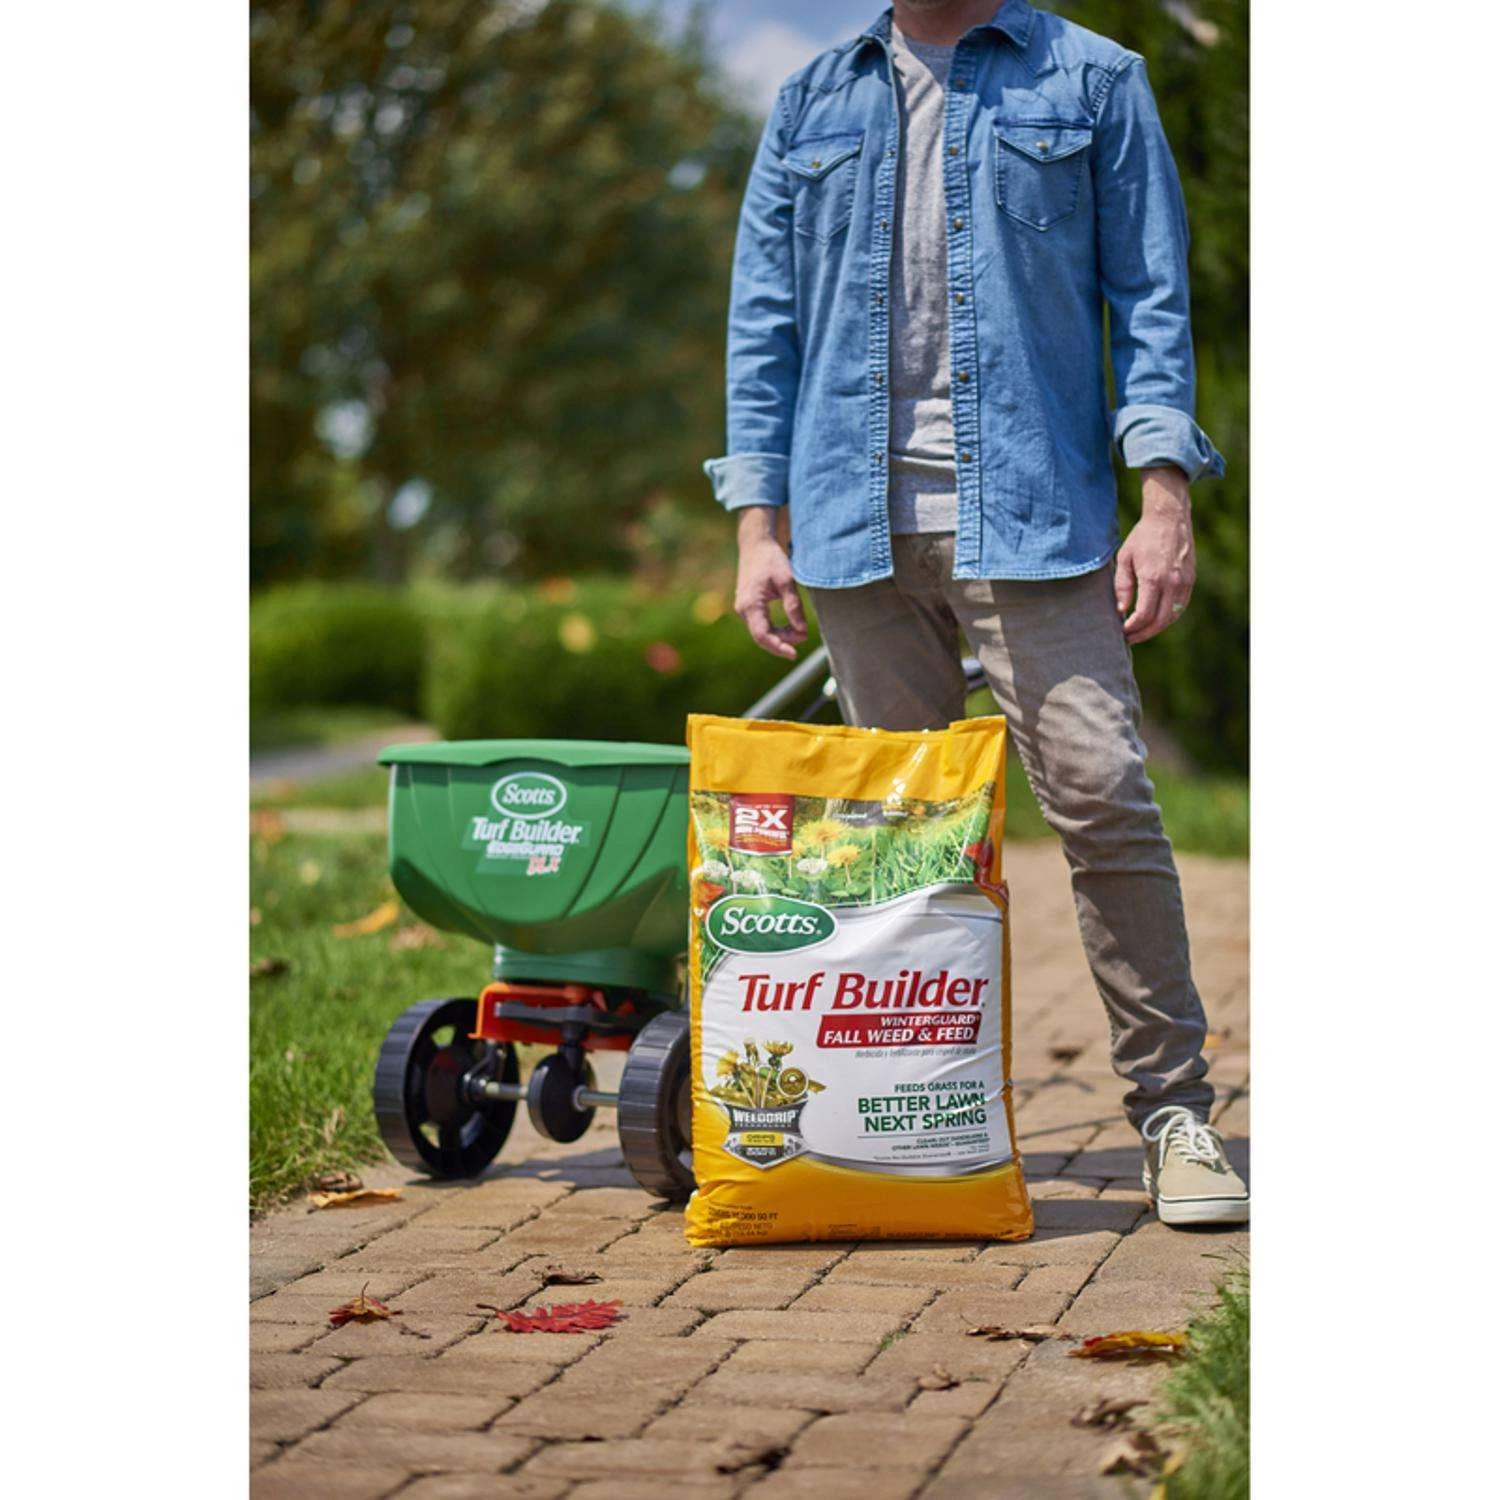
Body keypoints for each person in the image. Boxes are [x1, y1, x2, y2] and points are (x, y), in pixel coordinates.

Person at [704, 0, 1248, 1227]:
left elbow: (1151, 302)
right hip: (852, 527)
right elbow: (764, 327)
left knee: (1104, 795)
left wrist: (1165, 499)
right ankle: (915, 1124)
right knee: (903, 853)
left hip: (1038, 518)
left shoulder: (1094, 80)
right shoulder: (809, 102)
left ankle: (1174, 1115)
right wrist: (757, 526)